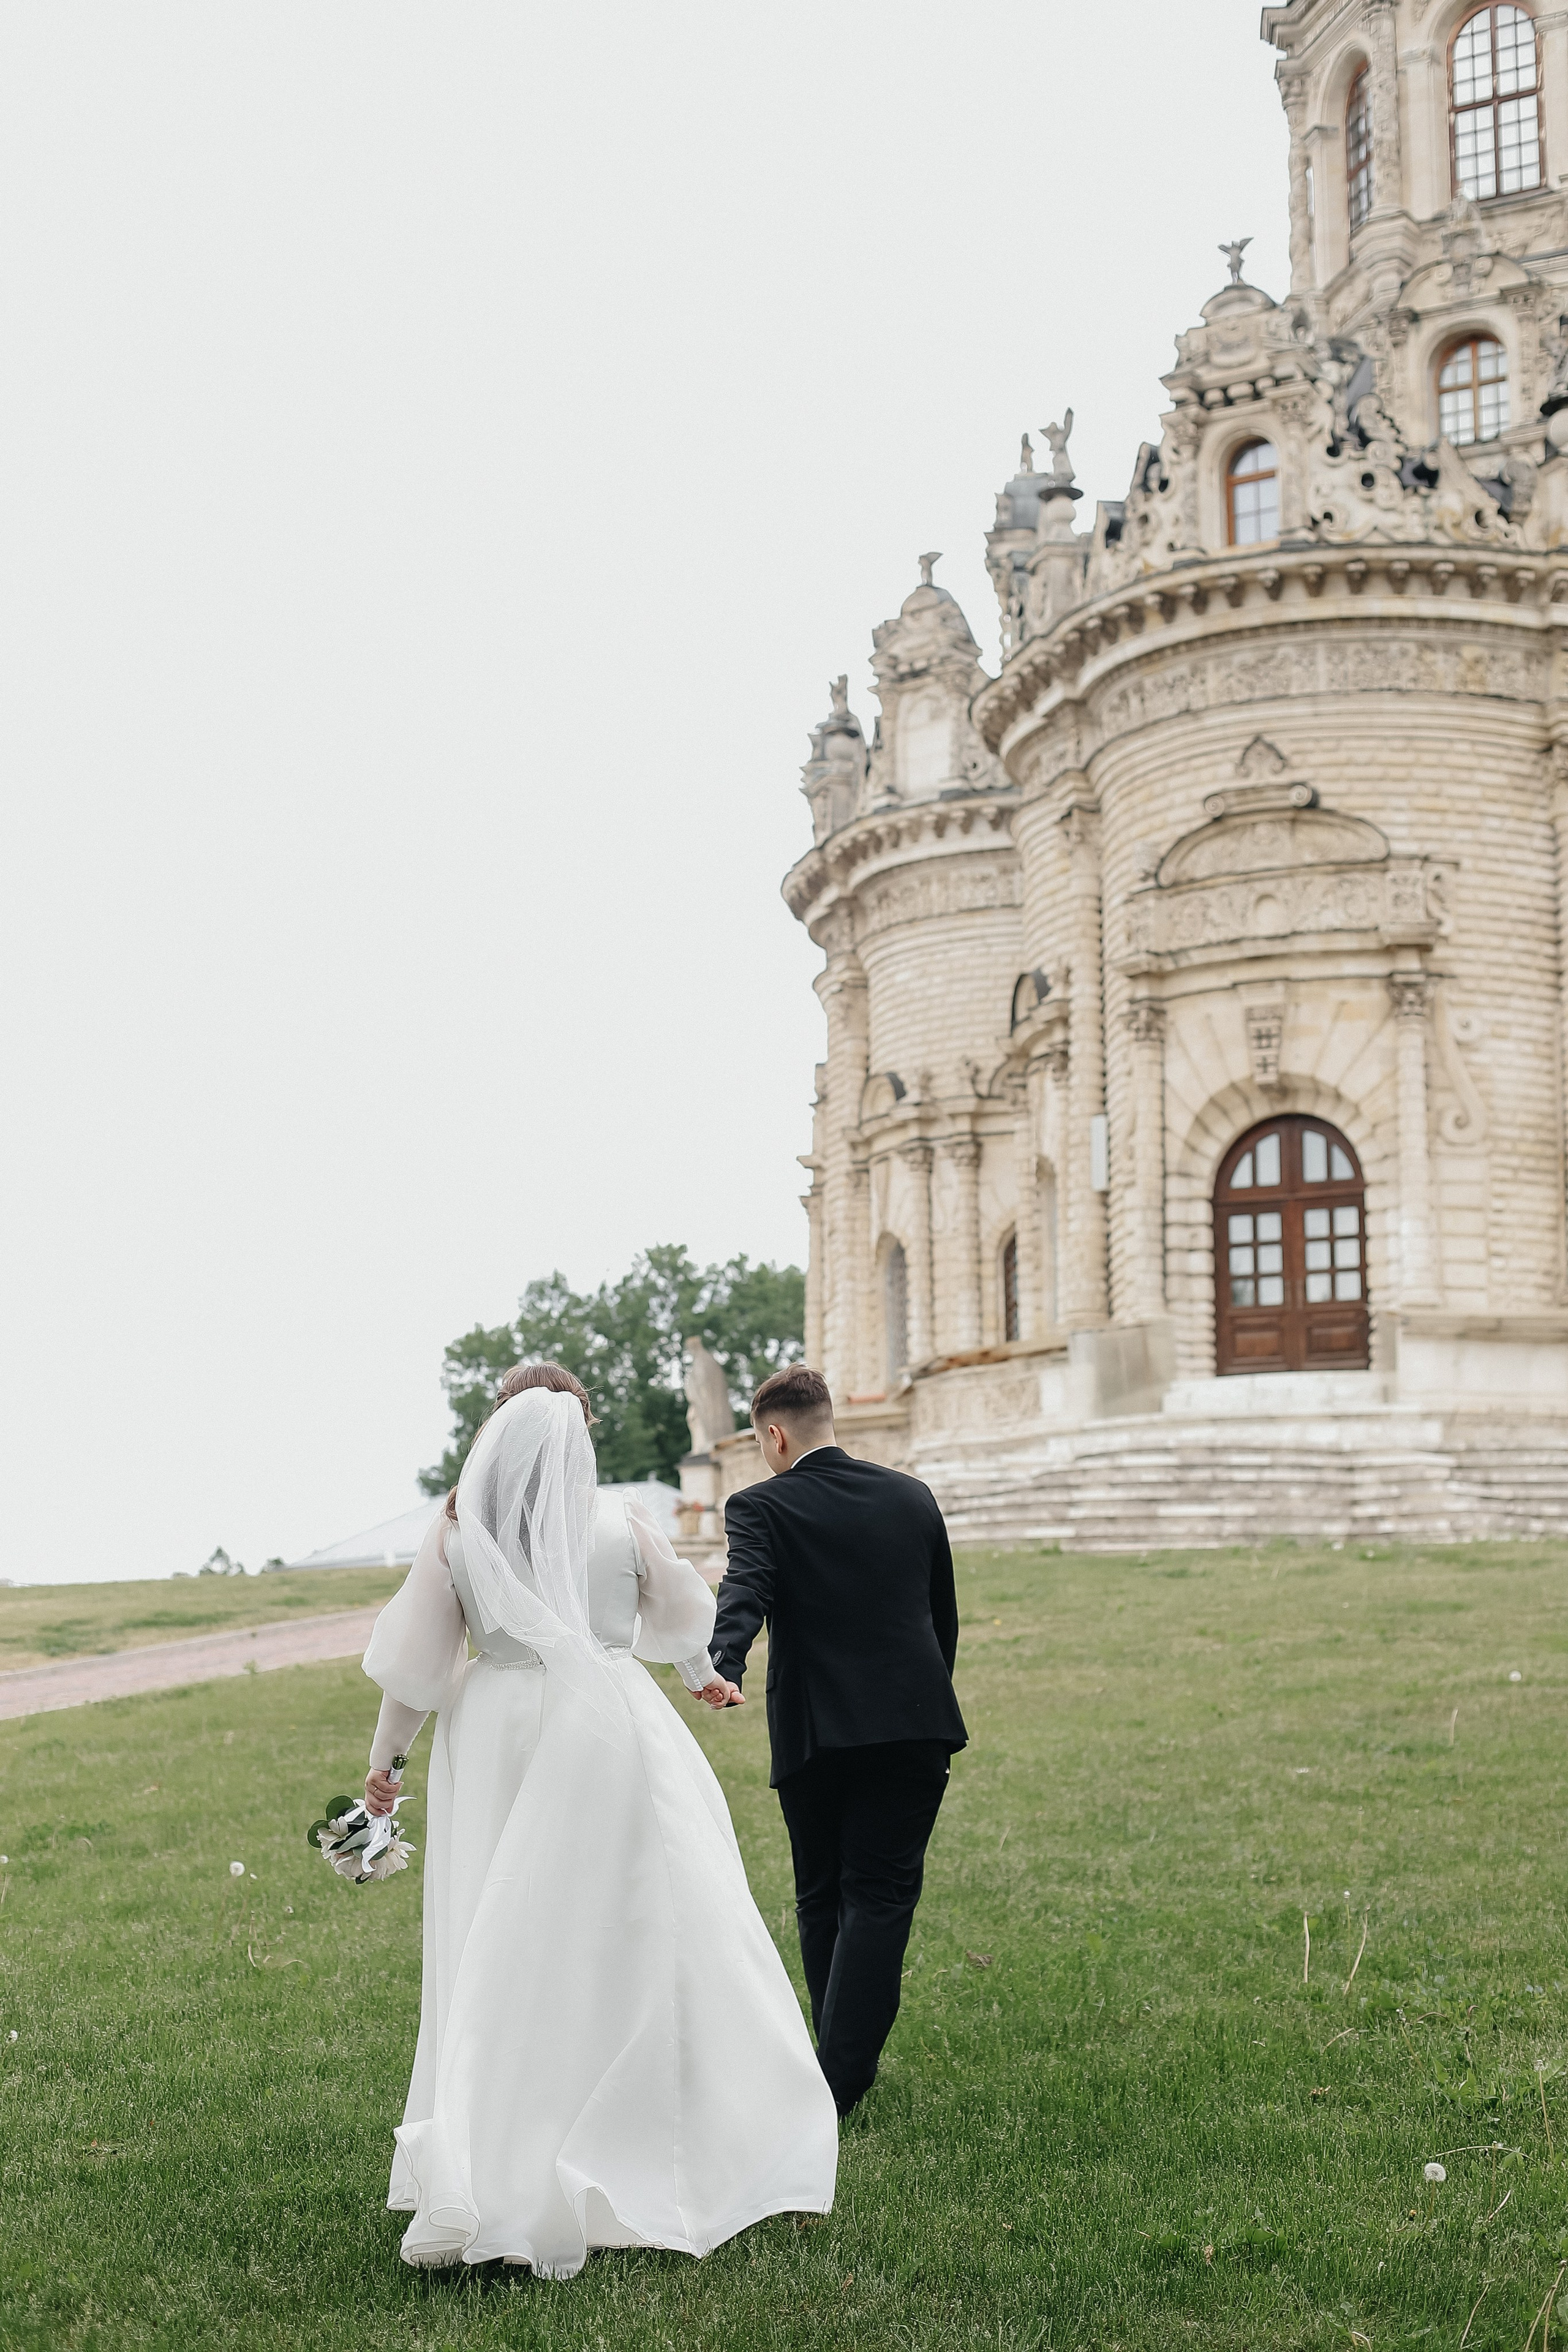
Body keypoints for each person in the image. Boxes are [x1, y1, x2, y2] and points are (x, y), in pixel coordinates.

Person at [358, 1362, 837, 2277]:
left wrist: (386, 1765)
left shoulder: (460, 1535)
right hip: (614, 1725)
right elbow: (682, 1611)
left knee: (505, 1931)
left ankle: (509, 2141)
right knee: (640, 1920)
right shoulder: (621, 1525)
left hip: (495, 1730)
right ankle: (665, 2132)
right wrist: (701, 1677)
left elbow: (416, 1665)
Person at [696, 1365, 967, 2117]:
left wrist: (720, 1665)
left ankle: (833, 2081)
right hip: (914, 1724)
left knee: (823, 1898)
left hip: (817, 1732)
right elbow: (940, 1616)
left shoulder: (759, 1505)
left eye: (759, 1443)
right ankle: (841, 2065)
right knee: (878, 1899)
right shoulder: (912, 1496)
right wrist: (921, 1699)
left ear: (775, 1435)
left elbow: (743, 1591)